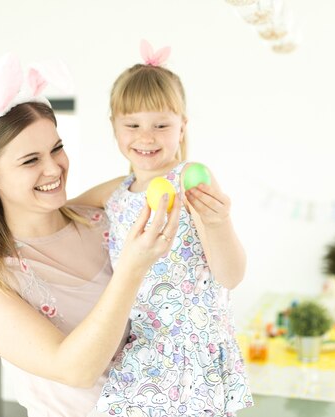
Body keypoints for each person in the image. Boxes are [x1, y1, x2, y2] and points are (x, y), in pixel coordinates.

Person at [0, 53, 181, 417]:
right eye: (30, 160)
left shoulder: (104, 220)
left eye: (56, 148)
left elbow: (141, 182)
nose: (53, 168)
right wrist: (132, 270)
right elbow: (75, 370)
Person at [71, 41, 253, 417]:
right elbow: (59, 213)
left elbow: (231, 275)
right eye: (132, 124)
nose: (146, 136)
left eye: (161, 125)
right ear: (114, 128)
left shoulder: (190, 179)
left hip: (193, 355)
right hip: (143, 352)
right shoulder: (116, 193)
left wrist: (219, 222)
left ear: (183, 126)